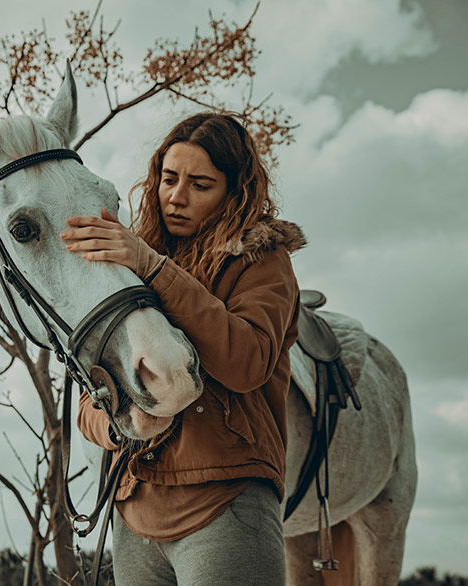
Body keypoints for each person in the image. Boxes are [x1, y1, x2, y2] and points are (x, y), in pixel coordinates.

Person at [60, 112, 305, 586]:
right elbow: (92, 393)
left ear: (235, 192)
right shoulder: (130, 262)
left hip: (226, 497)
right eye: (169, 179)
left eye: (200, 184)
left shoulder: (262, 260)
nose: (176, 196)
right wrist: (115, 424)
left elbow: (246, 361)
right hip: (134, 511)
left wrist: (153, 267)